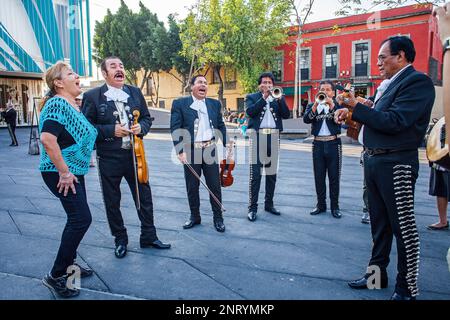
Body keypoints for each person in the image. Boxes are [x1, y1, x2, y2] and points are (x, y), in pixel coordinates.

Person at [335, 36, 435, 300]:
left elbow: (396, 121)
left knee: (403, 226)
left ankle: (407, 287)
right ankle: (376, 277)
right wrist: (353, 113)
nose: (377, 62)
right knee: (379, 225)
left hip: (396, 163)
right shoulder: (388, 85)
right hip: (374, 160)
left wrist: (357, 107)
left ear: (400, 56)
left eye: (382, 57)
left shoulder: (417, 82)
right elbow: (378, 118)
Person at [82, 56, 170, 259]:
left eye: (121, 65)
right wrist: (110, 130)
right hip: (109, 158)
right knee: (112, 201)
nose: (119, 69)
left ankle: (148, 236)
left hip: (135, 156)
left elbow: (147, 118)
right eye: (113, 66)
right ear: (104, 73)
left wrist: (142, 128)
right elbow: (86, 128)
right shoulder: (93, 96)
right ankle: (120, 239)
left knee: (144, 197)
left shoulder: (134, 92)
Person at [39, 61, 97, 298]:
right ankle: (55, 275)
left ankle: (70, 265)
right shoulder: (56, 103)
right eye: (71, 73)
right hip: (60, 173)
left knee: (76, 219)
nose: (77, 76)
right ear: (58, 83)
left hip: (73, 171)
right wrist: (64, 171)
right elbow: (47, 139)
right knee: (81, 219)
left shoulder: (72, 106)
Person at [170, 75, 227, 233]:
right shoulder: (180, 103)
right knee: (192, 187)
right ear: (192, 87)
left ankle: (218, 218)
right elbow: (175, 128)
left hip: (210, 149)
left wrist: (226, 142)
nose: (204, 85)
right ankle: (195, 216)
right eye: (200, 82)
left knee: (214, 186)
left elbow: (221, 125)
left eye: (205, 83)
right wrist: (180, 151)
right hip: (190, 150)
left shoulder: (214, 104)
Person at [245, 72, 290, 222]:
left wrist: (280, 98)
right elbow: (250, 112)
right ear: (259, 85)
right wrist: (264, 98)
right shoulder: (252, 97)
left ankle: (269, 204)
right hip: (257, 137)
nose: (267, 85)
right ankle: (252, 208)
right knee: (255, 175)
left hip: (274, 137)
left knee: (271, 175)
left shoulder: (277, 98)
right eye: (264, 82)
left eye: (270, 83)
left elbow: (286, 115)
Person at [303, 80, 343, 219]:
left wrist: (331, 104)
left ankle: (335, 207)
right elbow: (306, 119)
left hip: (334, 143)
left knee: (334, 177)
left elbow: (340, 120)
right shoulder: (312, 105)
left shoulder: (338, 105)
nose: (325, 92)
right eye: (322, 89)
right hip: (318, 145)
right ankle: (321, 205)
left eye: (328, 90)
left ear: (333, 92)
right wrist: (315, 104)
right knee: (319, 177)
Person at [427, 163, 450, 230]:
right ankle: (443, 222)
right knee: (440, 187)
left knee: (441, 186)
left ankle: (443, 222)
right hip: (439, 158)